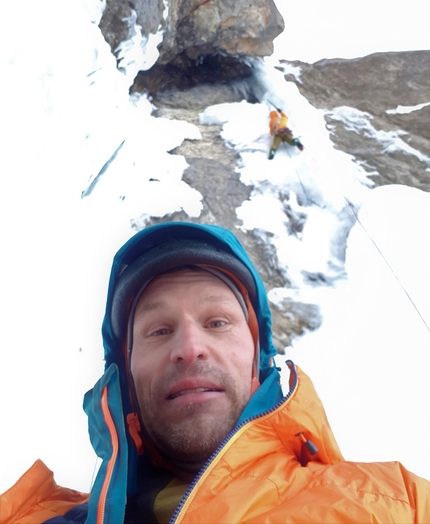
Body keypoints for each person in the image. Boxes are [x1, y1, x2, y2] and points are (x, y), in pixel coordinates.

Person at [1, 222, 429, 524]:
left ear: (258, 358)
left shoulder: (397, 505)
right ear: (125, 380)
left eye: (217, 322)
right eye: (159, 330)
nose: (189, 349)